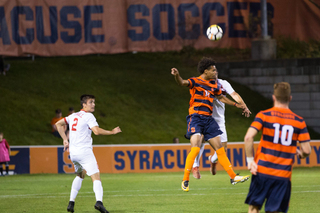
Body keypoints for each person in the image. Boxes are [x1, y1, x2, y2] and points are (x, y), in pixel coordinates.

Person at [171, 57, 250, 192]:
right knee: (195, 147)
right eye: (213, 70)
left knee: (220, 149)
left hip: (208, 119)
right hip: (195, 118)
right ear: (205, 71)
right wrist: (177, 75)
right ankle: (185, 179)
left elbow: (221, 97)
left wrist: (236, 104)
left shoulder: (214, 84)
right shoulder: (195, 81)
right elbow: (182, 83)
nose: (215, 72)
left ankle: (233, 177)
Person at [244, 82, 311, 213]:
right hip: (282, 175)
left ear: (273, 97)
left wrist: (250, 160)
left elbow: (248, 137)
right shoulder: (299, 121)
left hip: (261, 171)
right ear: (290, 98)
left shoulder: (264, 115)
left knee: (253, 208)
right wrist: (302, 154)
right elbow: (307, 150)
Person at [55, 94, 121, 213]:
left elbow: (58, 124)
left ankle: (71, 202)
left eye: (94, 102)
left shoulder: (73, 116)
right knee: (96, 177)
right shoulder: (88, 116)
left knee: (80, 175)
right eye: (91, 102)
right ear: (84, 105)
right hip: (84, 152)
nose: (93, 104)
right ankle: (99, 202)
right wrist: (111, 132)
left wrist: (65, 139)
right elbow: (96, 131)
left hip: (74, 153)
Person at [192, 71, 251, 179]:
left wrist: (244, 105)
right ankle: (195, 166)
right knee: (200, 139)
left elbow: (234, 94)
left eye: (216, 71)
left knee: (223, 149)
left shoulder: (223, 83)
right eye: (212, 71)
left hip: (219, 120)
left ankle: (212, 160)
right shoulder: (201, 83)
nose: (215, 73)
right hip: (204, 117)